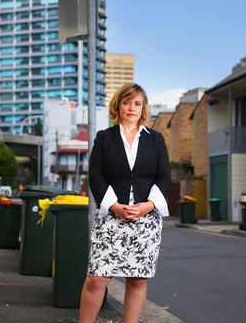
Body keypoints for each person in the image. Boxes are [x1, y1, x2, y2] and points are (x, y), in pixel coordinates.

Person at [79, 83, 171, 323]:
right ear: (118, 105)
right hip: (112, 214)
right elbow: (96, 176)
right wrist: (115, 207)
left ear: (144, 108)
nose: (132, 108)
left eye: (137, 103)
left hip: (145, 217)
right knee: (97, 278)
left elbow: (164, 176)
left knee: (138, 278)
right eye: (127, 102)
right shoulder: (104, 138)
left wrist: (148, 206)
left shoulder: (156, 139)